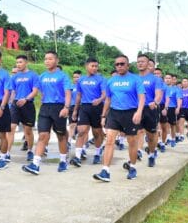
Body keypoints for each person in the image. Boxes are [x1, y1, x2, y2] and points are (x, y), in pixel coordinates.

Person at [93, 54, 145, 182]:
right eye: (117, 64)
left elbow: (141, 97)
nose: (120, 66)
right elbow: (108, 99)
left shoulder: (135, 79)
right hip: (114, 114)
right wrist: (103, 115)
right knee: (109, 140)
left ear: (128, 65)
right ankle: (105, 171)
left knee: (132, 142)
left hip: (130, 113)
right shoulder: (111, 81)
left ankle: (132, 167)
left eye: (122, 64)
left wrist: (139, 112)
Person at [22, 51, 72, 175]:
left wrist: (66, 107)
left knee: (61, 135)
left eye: (50, 59)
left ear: (56, 61)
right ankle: (35, 164)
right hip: (45, 108)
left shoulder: (63, 76)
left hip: (59, 107)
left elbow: (68, 93)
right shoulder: (42, 76)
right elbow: (38, 91)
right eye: (45, 59)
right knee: (43, 136)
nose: (47, 61)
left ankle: (63, 161)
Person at [70, 57, 106, 167]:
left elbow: (105, 94)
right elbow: (79, 96)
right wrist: (75, 110)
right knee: (81, 131)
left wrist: (99, 100)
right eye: (92, 66)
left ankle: (97, 153)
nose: (94, 68)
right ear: (87, 66)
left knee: (96, 133)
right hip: (84, 107)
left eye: (96, 66)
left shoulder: (101, 79)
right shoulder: (81, 80)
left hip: (97, 107)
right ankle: (77, 157)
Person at [6, 55, 39, 162]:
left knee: (28, 130)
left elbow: (35, 91)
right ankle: (7, 153)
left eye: (20, 62)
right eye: (17, 62)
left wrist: (26, 99)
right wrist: (10, 103)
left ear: (26, 63)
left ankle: (30, 150)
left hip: (28, 104)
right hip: (16, 104)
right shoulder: (15, 77)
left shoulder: (33, 75)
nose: (18, 64)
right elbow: (13, 91)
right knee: (11, 128)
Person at [136, 54, 163, 167]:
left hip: (150, 109)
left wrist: (155, 102)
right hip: (137, 109)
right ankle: (137, 152)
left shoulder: (155, 79)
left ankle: (151, 154)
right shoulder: (134, 78)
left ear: (148, 64)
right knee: (138, 132)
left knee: (151, 136)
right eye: (138, 62)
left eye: (143, 61)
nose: (140, 63)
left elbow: (158, 94)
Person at [162, 73, 182, 147]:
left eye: (169, 78)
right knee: (164, 125)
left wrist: (178, 108)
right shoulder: (161, 87)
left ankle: (173, 139)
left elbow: (179, 99)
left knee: (172, 125)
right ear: (164, 79)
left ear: (172, 80)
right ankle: (167, 138)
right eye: (166, 78)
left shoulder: (176, 89)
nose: (167, 79)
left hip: (172, 108)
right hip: (163, 108)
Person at [154, 67, 168, 152]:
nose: (156, 75)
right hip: (154, 105)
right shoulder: (152, 83)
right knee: (155, 126)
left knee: (164, 127)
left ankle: (163, 142)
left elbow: (167, 98)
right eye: (155, 74)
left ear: (161, 74)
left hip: (162, 106)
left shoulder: (165, 86)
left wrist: (165, 108)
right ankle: (156, 144)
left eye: (158, 73)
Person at [68, 70, 81, 149]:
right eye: (74, 77)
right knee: (72, 125)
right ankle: (69, 141)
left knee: (81, 126)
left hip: (81, 107)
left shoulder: (83, 87)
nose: (76, 79)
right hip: (72, 107)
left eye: (77, 77)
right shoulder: (71, 86)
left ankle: (81, 144)